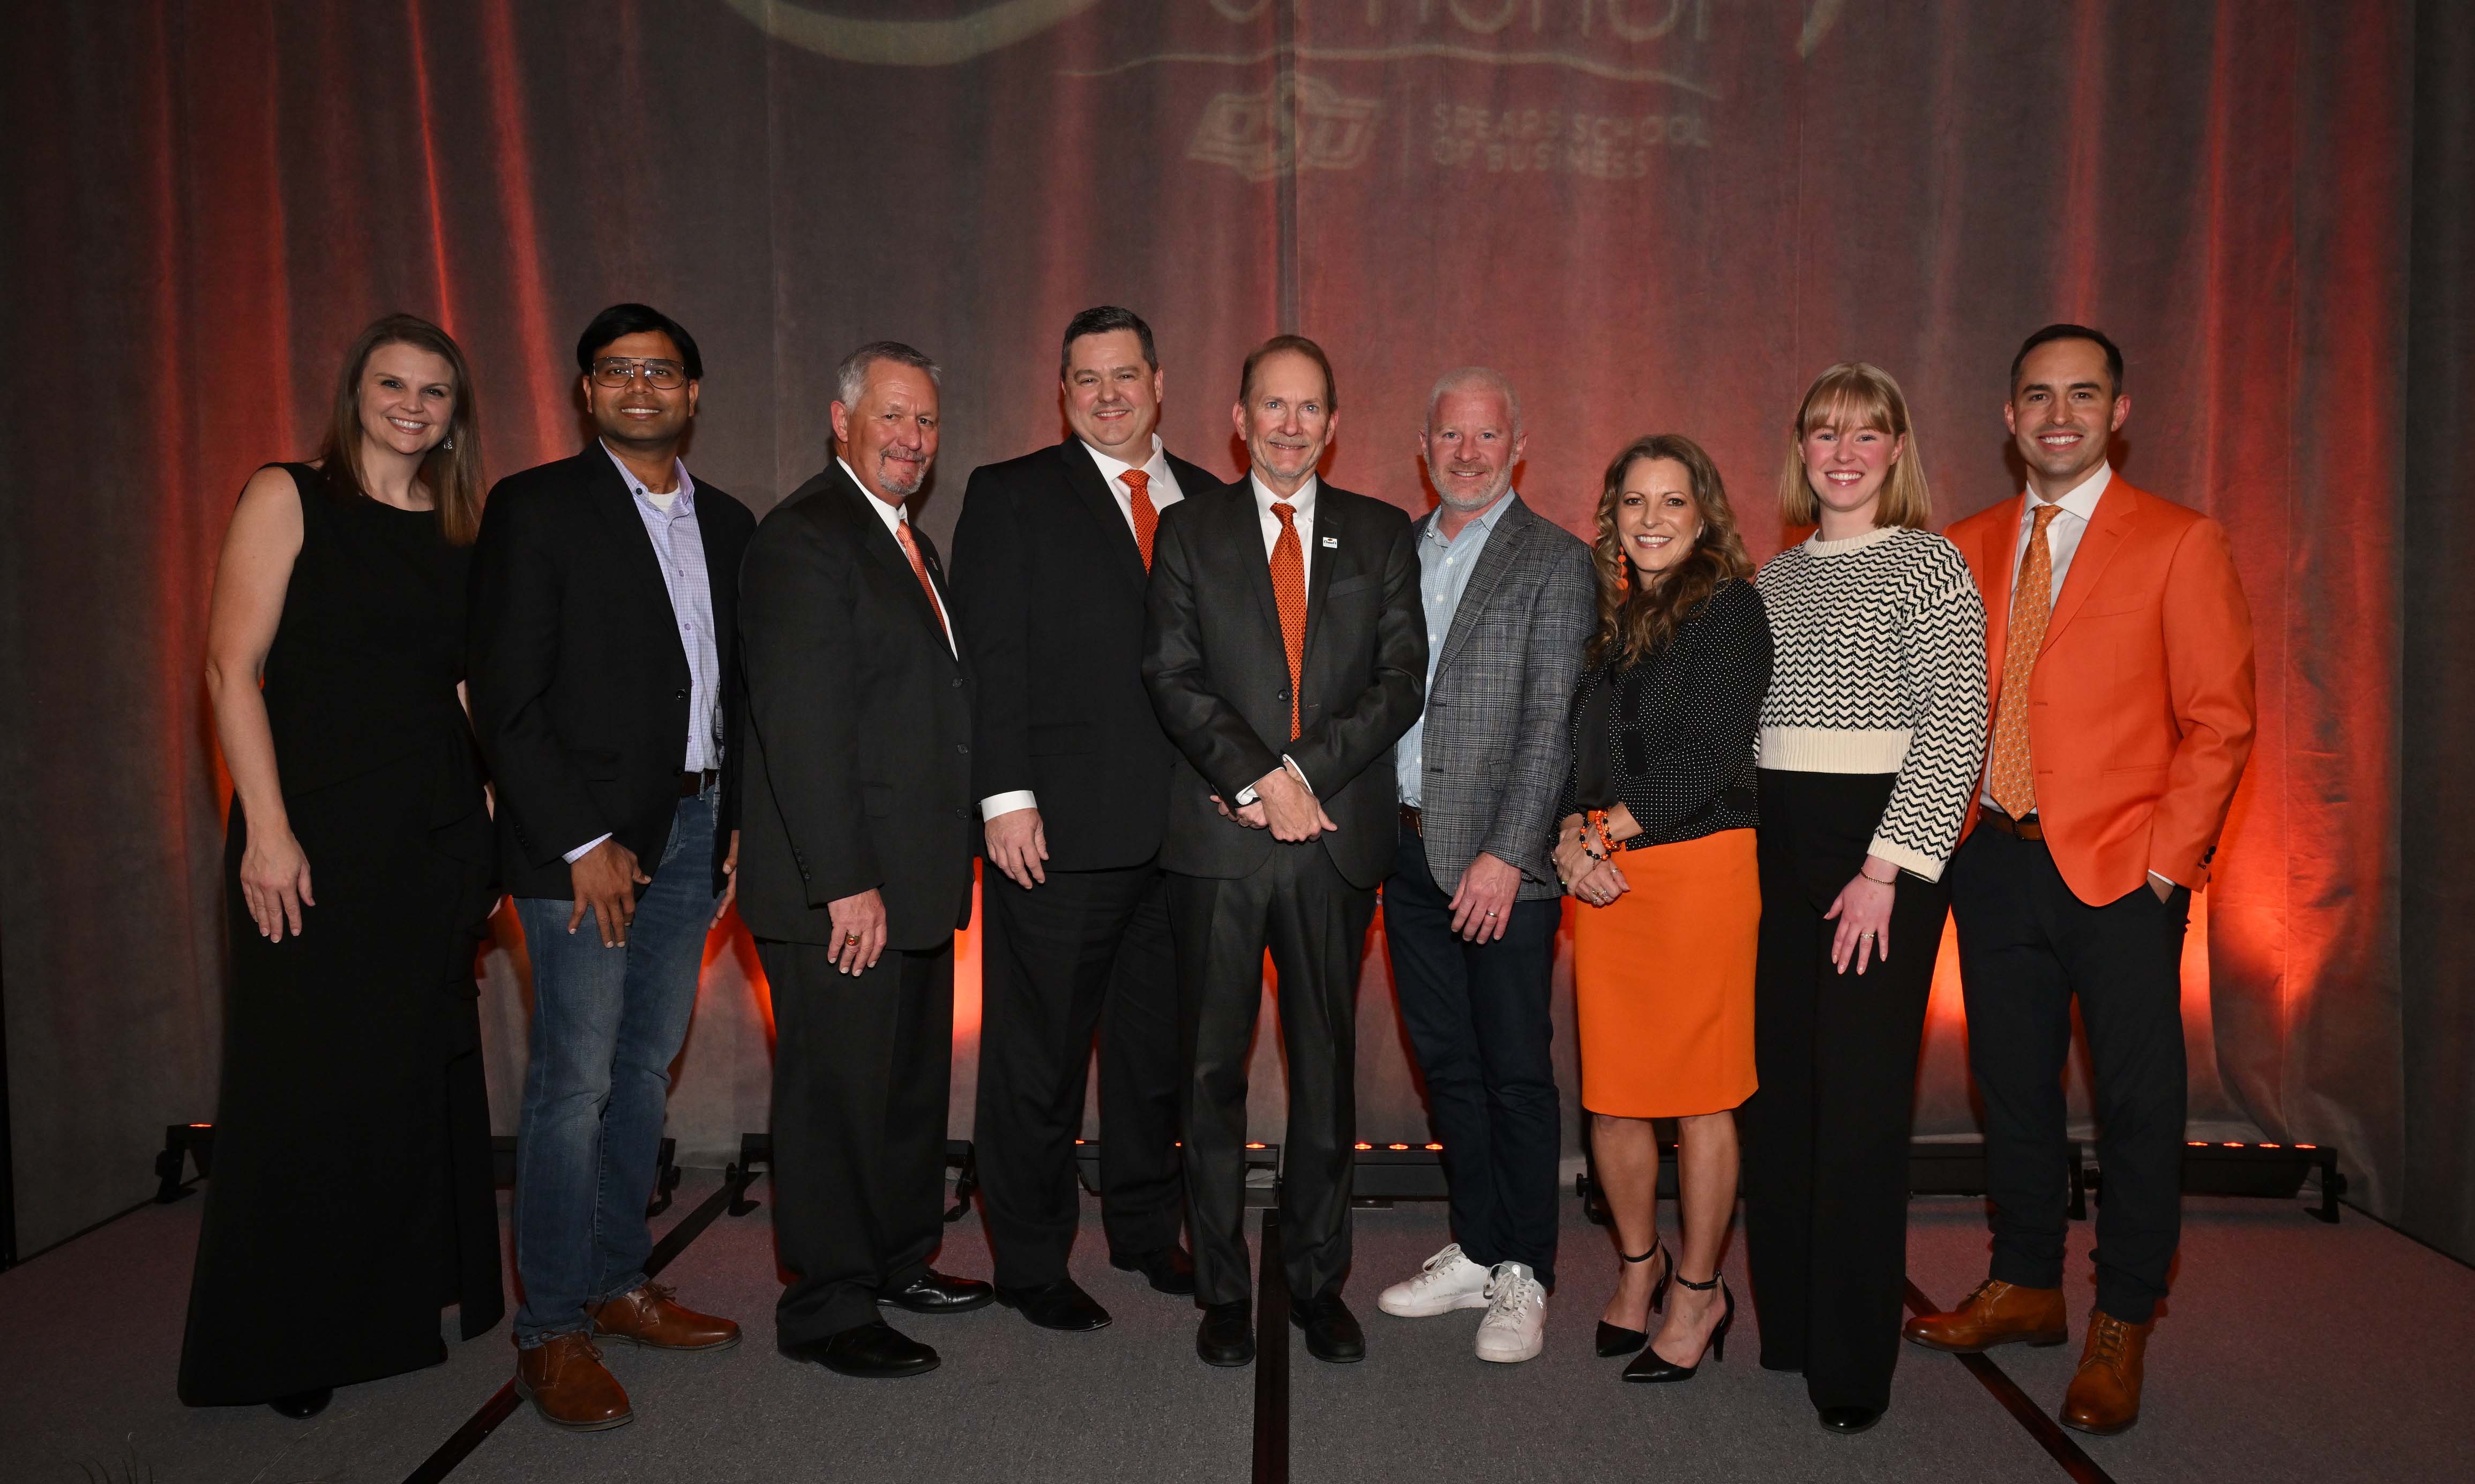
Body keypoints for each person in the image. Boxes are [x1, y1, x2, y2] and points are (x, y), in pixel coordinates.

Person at [1906, 325, 2254, 1436]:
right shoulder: (1964, 544)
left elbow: (2220, 723)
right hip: (1993, 861)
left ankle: (2123, 1316)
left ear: (2119, 411)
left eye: (2082, 394)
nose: (2059, 413)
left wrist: (2164, 869)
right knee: (2011, 1085)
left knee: (2138, 1105)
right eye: (2037, 396)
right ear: (2008, 418)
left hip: (2120, 874)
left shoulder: (2180, 541)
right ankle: (2026, 1282)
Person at [183, 314, 503, 1418]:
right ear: (354, 391)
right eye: (392, 384)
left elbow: (466, 688)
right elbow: (232, 668)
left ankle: (399, 1302)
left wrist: (497, 815)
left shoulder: (460, 525)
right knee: (304, 1087)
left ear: (457, 412)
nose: (413, 405)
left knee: (406, 1078)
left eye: (434, 391)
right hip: (314, 833)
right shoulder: (289, 492)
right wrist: (266, 831)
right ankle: (289, 1336)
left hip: (429, 837)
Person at [467, 304, 752, 1429]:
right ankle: (550, 1328)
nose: (642, 385)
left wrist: (731, 820)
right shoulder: (535, 507)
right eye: (618, 370)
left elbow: (736, 686)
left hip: (691, 834)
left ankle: (619, 1279)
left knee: (643, 1071)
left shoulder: (726, 521)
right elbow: (506, 693)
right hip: (583, 845)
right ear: (586, 392)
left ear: (692, 391)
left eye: (663, 369)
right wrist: (584, 841)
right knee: (574, 1083)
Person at [1141, 334, 1425, 1368]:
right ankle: (1223, 1289)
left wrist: (1300, 773)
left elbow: (1401, 680)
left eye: (1310, 408)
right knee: (1208, 1073)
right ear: (1239, 416)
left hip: (1332, 847)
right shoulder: (1186, 530)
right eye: (1273, 405)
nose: (1290, 425)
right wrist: (1261, 780)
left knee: (1326, 1071)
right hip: (1218, 844)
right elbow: (1171, 675)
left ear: (1335, 424)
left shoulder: (1382, 532)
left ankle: (1316, 1282)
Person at [949, 307, 1210, 1331]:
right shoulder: (1011, 494)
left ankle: (1148, 1232)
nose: (1108, 395)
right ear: (1062, 392)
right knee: (1038, 1060)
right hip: (1054, 836)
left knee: (1156, 1060)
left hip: (1188, 842)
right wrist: (1005, 800)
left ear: (1160, 381)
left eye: (1125, 375)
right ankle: (1028, 1259)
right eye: (1085, 379)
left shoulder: (1214, 499)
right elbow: (988, 660)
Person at [1740, 363, 1987, 1435]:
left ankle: (1851, 1360)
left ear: (1897, 449)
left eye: (1865, 433)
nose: (1842, 451)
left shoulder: (1932, 566)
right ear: (1801, 448)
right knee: (1782, 1099)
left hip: (1877, 861)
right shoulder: (1773, 577)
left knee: (1858, 1113)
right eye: (1824, 432)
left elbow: (1954, 729)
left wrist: (1886, 870)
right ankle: (1789, 1325)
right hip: (1781, 849)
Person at [736, 341, 988, 1381]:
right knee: (836, 1098)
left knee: (904, 1094)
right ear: (842, 420)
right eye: (892, 416)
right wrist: (846, 879)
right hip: (842, 892)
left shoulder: (908, 544)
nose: (911, 438)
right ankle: (828, 1304)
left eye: (925, 422)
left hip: (914, 883)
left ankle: (896, 1259)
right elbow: (802, 728)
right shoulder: (806, 537)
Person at [1370, 368, 1593, 1365]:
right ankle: (1478, 1244)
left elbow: (1553, 721)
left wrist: (1509, 852)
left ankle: (1527, 1272)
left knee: (1513, 1068)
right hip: (1403, 848)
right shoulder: (1394, 552)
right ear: (1426, 447)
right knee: (1447, 1065)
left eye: (1486, 435)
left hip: (1502, 864)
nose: (1468, 452)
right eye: (1450, 436)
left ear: (1519, 444)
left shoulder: (1556, 560)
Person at [1552, 434, 1770, 1385]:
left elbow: (1711, 754)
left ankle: (1699, 1288)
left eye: (1671, 502)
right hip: (1607, 876)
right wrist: (1570, 833)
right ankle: (1637, 1269)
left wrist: (1602, 834)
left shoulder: (1729, 609)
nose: (1650, 520)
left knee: (1702, 1096)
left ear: (1704, 512)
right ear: (1613, 516)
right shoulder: (1608, 616)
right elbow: (1578, 751)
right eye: (1633, 502)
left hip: (1698, 876)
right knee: (1612, 1098)